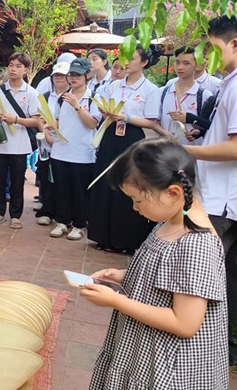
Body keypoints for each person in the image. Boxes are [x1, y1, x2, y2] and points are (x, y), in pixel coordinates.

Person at [84, 139, 231, 390]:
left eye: (138, 200)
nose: (135, 207)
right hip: (143, 354)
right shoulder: (171, 221)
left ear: (173, 193)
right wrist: (123, 275)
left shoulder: (198, 244)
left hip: (169, 370)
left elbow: (185, 322)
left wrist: (115, 301)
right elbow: (168, 278)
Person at [187, 14, 237, 365]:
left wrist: (187, 151)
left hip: (223, 200)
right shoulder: (227, 83)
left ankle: (202, 348)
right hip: (222, 195)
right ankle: (222, 350)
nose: (209, 57)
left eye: (213, 48)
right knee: (227, 276)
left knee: (202, 274)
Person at [88, 45, 168, 254]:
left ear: (143, 63)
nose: (126, 62)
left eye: (131, 59)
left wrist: (127, 117)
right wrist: (105, 111)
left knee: (128, 185)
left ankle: (127, 240)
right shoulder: (114, 86)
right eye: (124, 58)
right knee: (106, 183)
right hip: (111, 134)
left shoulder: (150, 89)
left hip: (132, 138)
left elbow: (150, 122)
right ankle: (103, 236)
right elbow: (101, 107)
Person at [47, 58, 100, 241]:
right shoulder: (62, 98)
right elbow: (59, 121)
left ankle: (79, 225)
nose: (74, 78)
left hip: (83, 153)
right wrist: (52, 126)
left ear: (87, 76)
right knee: (61, 189)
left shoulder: (93, 98)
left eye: (78, 75)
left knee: (80, 192)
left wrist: (77, 106)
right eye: (71, 74)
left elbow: (92, 123)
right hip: (61, 151)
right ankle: (62, 221)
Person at [0, 52, 41, 229]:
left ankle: (15, 215)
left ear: (25, 70)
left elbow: (36, 120)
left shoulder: (31, 93)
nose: (13, 69)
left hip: (20, 144)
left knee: (17, 182)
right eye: (11, 65)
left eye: (18, 66)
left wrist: (15, 120)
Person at [34, 62, 71, 228]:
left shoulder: (72, 97)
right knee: (46, 178)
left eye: (62, 76)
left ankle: (63, 213)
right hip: (47, 145)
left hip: (66, 144)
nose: (59, 79)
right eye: (56, 75)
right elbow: (40, 119)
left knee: (63, 180)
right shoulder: (47, 96)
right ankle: (47, 210)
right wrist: (48, 136)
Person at [158, 46, 212, 145]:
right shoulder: (163, 92)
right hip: (165, 150)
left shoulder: (204, 96)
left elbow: (210, 126)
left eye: (186, 63)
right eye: (177, 62)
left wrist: (197, 131)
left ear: (197, 65)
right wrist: (162, 133)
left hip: (192, 153)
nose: (180, 67)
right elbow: (155, 121)